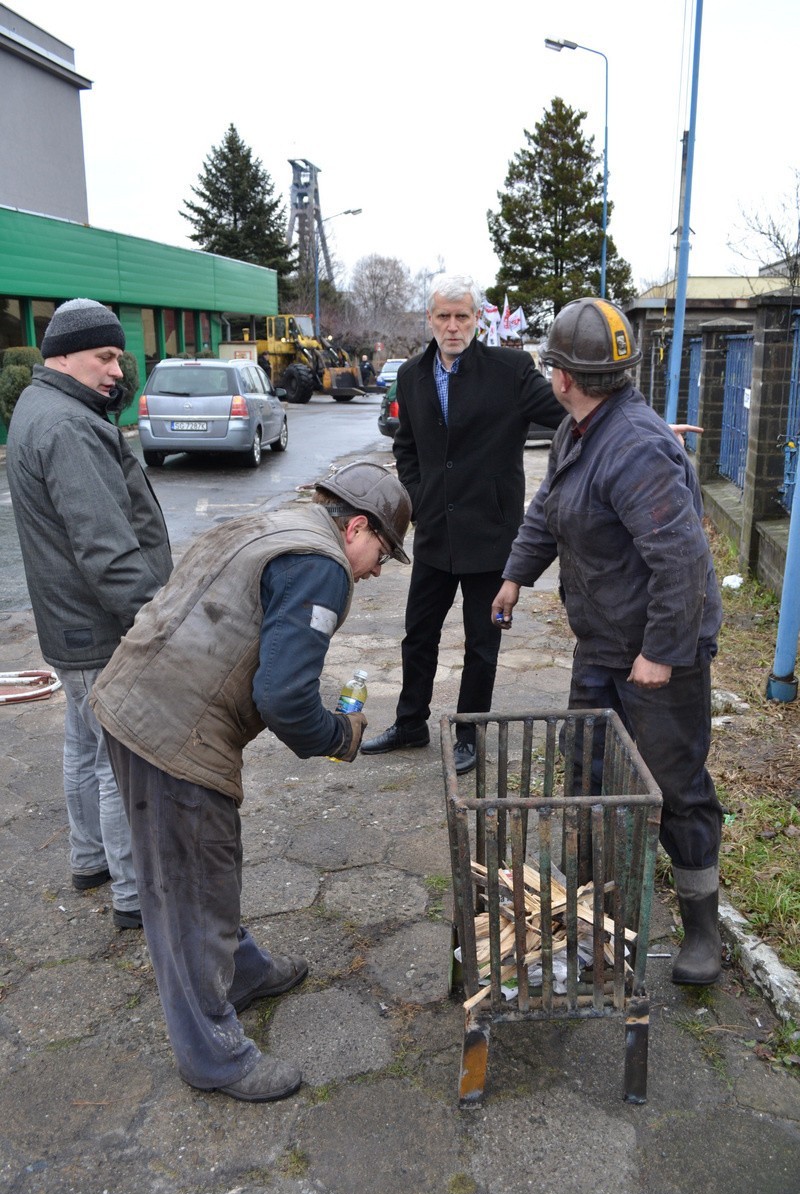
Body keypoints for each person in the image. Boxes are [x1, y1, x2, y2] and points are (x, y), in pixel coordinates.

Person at [89, 461, 411, 1103]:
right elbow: (285, 700)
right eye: (382, 551)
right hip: (170, 733)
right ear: (356, 526)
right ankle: (214, 1057)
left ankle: (239, 970)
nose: (377, 571)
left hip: (146, 701)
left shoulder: (275, 521)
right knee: (185, 889)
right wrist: (338, 737)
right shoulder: (322, 564)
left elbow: (253, 639)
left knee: (211, 862)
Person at [492, 297, 724, 987]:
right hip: (601, 644)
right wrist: (513, 578)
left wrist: (660, 652)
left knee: (676, 788)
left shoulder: (636, 448)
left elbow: (681, 561)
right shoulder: (579, 431)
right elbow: (546, 512)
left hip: (659, 655)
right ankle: (591, 918)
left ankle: (703, 931)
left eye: (552, 366)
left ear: (564, 376)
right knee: (589, 776)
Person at [6, 299, 173, 929]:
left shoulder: (40, 406)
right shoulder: (70, 427)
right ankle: (133, 896)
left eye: (118, 357)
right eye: (104, 357)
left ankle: (89, 859)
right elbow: (107, 550)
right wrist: (154, 622)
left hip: (66, 624)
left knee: (82, 744)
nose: (115, 371)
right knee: (118, 763)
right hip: (98, 626)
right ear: (62, 356)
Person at [360, 273, 563, 774]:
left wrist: (634, 421)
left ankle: (468, 732)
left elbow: (569, 412)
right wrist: (418, 493)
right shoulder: (411, 375)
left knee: (482, 642)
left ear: (477, 320)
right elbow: (406, 444)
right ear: (430, 320)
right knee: (418, 634)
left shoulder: (511, 370)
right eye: (443, 317)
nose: (453, 327)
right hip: (434, 532)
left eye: (462, 316)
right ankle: (411, 723)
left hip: (491, 536)